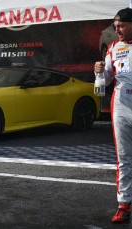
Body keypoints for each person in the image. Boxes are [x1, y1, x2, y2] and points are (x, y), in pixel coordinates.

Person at [94, 8, 132, 224]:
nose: (117, 30)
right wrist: (99, 71)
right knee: (124, 158)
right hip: (121, 106)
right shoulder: (112, 48)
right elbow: (105, 82)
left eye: (122, 26)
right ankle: (124, 204)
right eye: (115, 26)